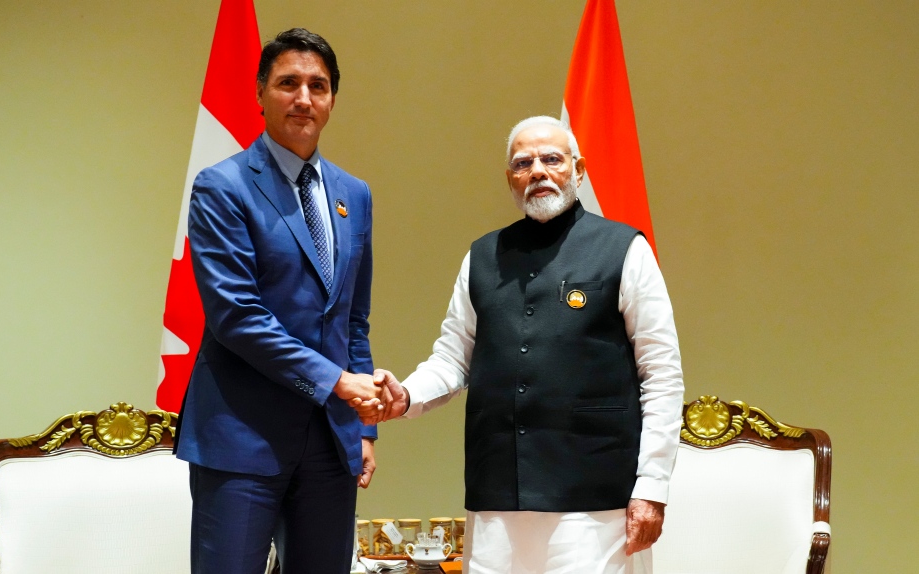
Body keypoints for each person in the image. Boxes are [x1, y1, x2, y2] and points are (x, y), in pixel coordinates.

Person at [359, 116, 684, 574]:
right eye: (523, 162)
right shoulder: (482, 256)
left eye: (552, 159)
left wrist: (651, 486)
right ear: (509, 178)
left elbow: (662, 374)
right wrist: (408, 396)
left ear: (579, 169)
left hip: (594, 503)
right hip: (497, 500)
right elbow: (453, 358)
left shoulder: (624, 249)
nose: (538, 170)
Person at [175, 28, 386, 574]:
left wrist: (362, 425)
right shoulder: (222, 187)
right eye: (288, 83)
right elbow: (236, 317)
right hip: (241, 439)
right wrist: (338, 382)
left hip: (330, 442)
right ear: (260, 92)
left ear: (333, 99)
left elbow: (352, 321)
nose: (303, 98)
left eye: (318, 85)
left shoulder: (354, 194)